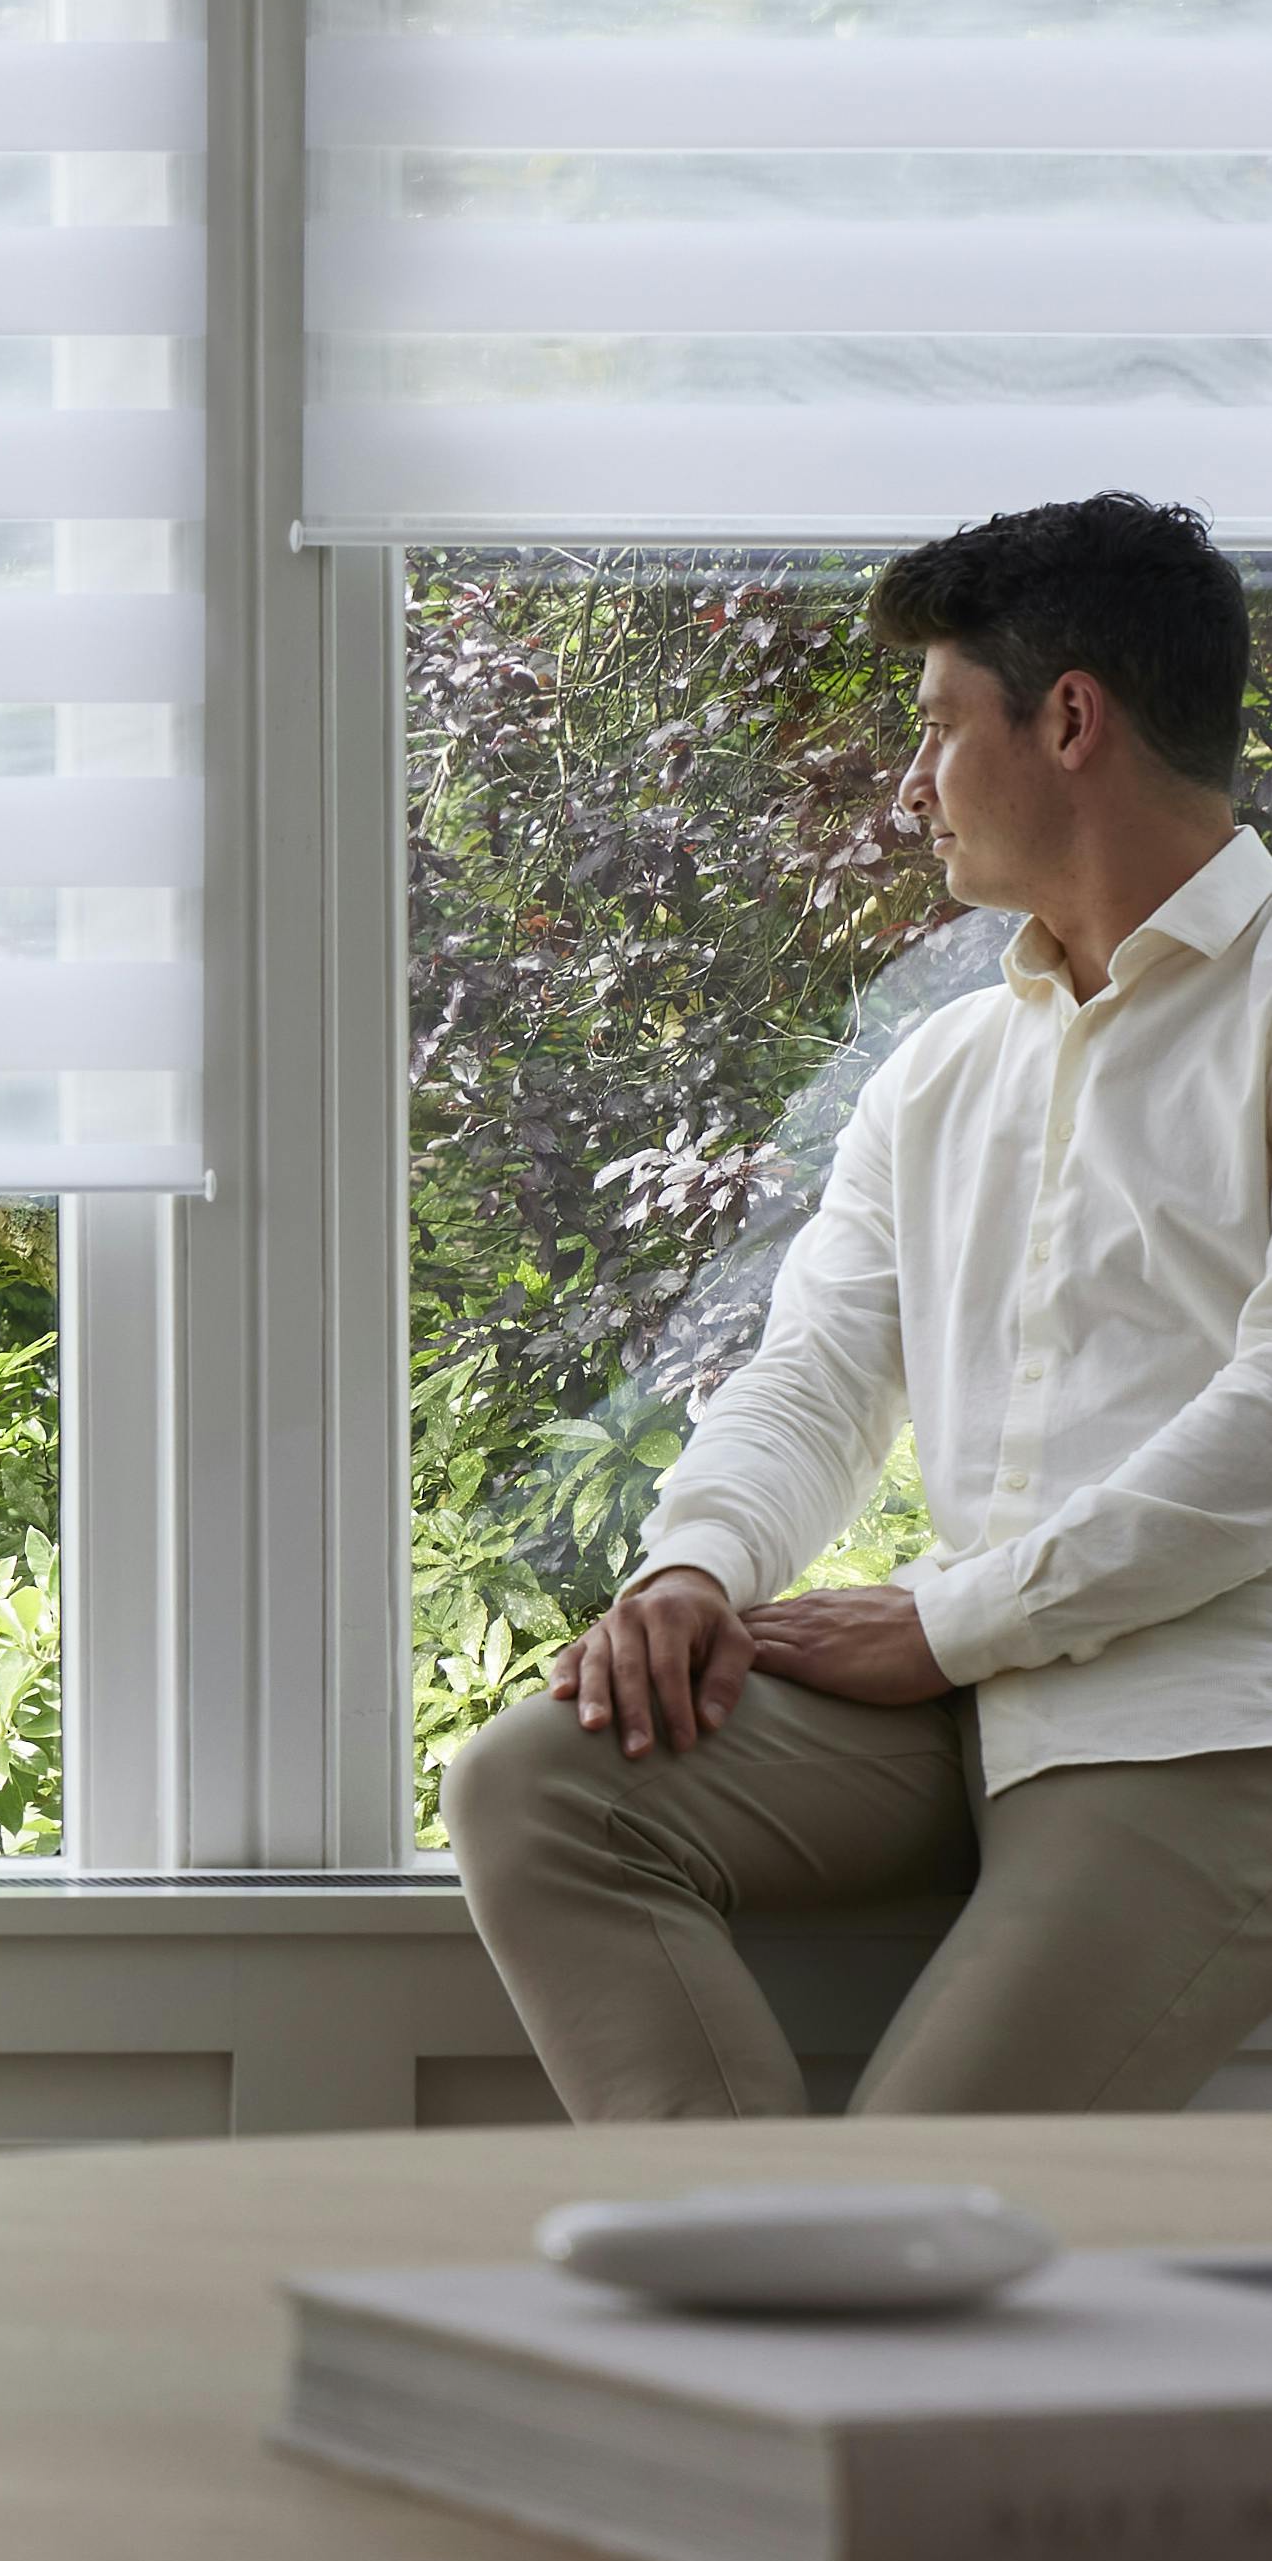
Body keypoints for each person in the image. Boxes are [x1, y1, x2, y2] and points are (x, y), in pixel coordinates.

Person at [443, 490, 1272, 2120]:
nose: (909, 782)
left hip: (1201, 1721)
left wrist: (951, 1623)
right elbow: (815, 1371)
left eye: (938, 726)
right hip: (968, 1688)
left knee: (921, 2179)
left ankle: (808, 2252)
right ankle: (750, 2242)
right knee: (534, 1781)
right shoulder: (943, 1066)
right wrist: (693, 1567)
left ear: (1069, 721)